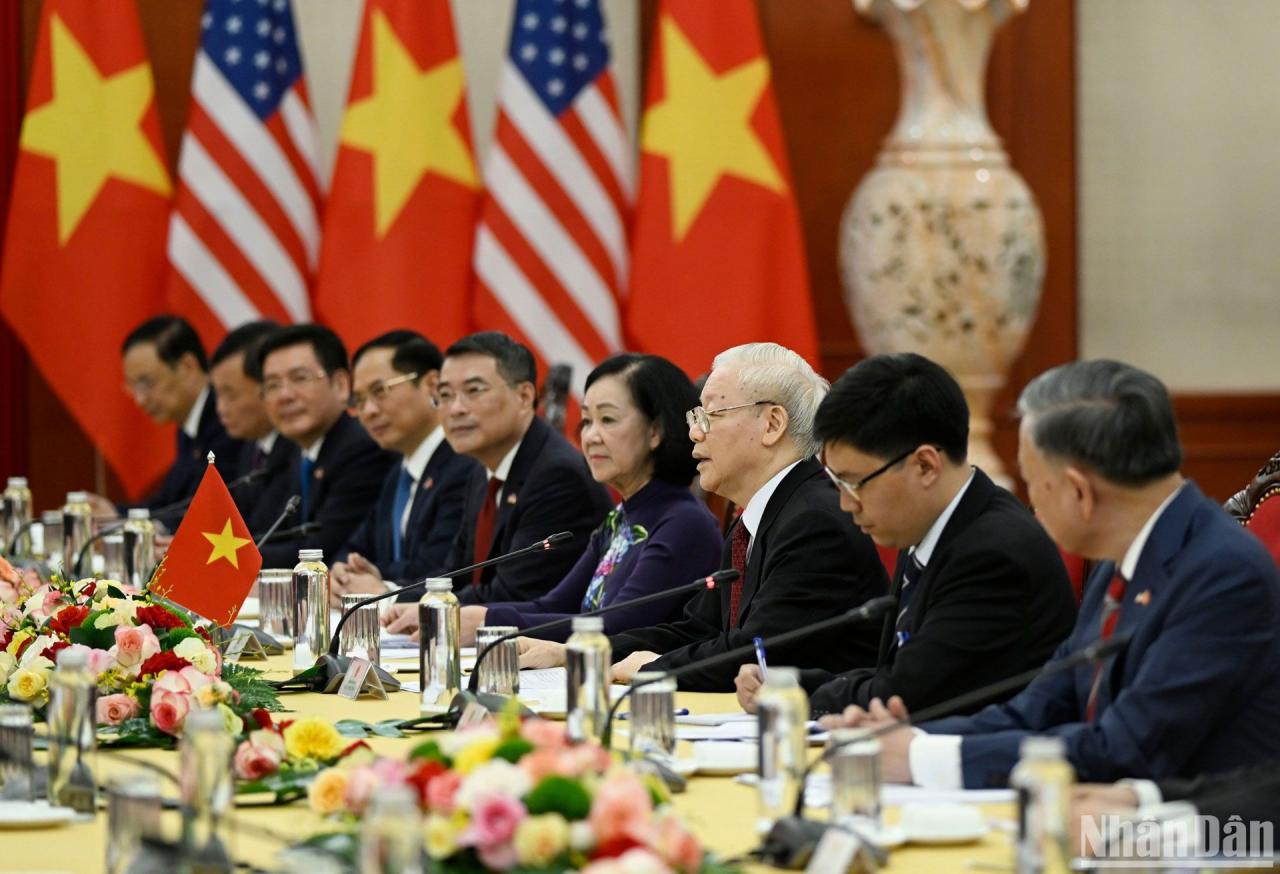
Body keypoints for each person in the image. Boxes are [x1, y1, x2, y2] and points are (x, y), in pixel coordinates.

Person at [822, 359, 1280, 789]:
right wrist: (912, 742)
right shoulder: (1125, 557)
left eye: (1034, 482)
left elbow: (1124, 748)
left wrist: (920, 759)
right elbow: (1039, 708)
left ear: (1078, 491)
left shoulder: (1221, 574)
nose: (1030, 504)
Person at [734, 353, 1076, 717]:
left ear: (925, 465)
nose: (847, 505)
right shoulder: (932, 527)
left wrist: (796, 697)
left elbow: (905, 694)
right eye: (836, 484)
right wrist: (790, 683)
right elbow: (895, 672)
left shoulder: (992, 554)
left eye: (853, 483)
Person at [592, 342, 890, 691]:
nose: (694, 432)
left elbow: (756, 651)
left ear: (772, 423)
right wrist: (586, 652)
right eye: (694, 417)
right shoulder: (757, 519)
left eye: (710, 415)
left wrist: (657, 668)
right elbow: (700, 629)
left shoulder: (815, 522)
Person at [420, 353, 723, 645]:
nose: (590, 436)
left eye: (607, 419)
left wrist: (491, 619)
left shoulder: (684, 522)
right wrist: (482, 616)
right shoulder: (622, 517)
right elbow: (553, 605)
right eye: (587, 421)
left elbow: (617, 625)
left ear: (656, 430)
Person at [327, 331, 478, 606]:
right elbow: (355, 546)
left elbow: (441, 568)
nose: (368, 411)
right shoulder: (400, 470)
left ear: (432, 385)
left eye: (380, 391)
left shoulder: (466, 464)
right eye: (358, 400)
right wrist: (342, 572)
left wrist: (378, 581)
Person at [253, 324, 394, 568]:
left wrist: (226, 560)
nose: (285, 395)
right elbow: (269, 530)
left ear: (340, 385)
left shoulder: (362, 449)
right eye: (273, 385)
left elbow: (320, 552)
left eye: (299, 378)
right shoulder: (296, 452)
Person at [117, 315, 242, 520]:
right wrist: (113, 514)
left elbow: (202, 515)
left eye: (146, 383)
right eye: (133, 387)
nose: (140, 400)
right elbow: (169, 502)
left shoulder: (227, 421)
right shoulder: (189, 425)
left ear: (188, 367)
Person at [207, 320, 292, 520]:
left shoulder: (297, 449)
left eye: (231, 395)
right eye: (217, 395)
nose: (220, 409)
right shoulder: (251, 446)